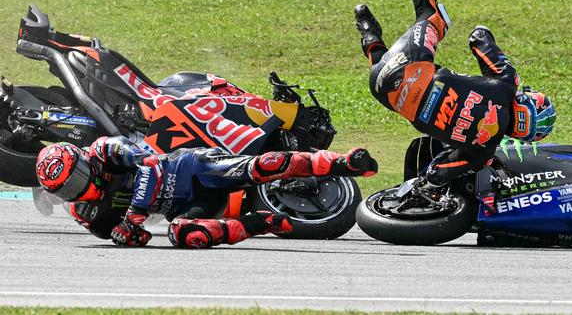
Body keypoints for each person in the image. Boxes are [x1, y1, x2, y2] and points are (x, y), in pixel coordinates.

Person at [354, 0, 556, 190]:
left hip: (409, 67)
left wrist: (495, 59)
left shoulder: (506, 84)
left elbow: (478, 37)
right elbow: (438, 172)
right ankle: (368, 31)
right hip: (383, 93)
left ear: (529, 104)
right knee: (382, 74)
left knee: (434, 18)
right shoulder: (483, 153)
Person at [35, 136, 377, 248]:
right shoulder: (85, 213)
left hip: (192, 169)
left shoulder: (105, 149)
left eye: (78, 175)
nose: (80, 187)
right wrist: (127, 235)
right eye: (69, 188)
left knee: (261, 167)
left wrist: (134, 217)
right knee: (184, 235)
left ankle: (342, 163)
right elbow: (129, 238)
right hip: (190, 205)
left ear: (83, 159)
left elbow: (150, 164)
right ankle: (261, 224)